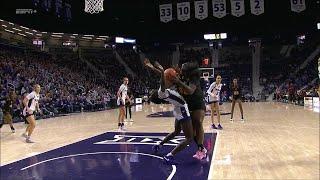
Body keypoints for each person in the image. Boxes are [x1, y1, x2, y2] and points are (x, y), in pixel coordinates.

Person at [144, 59, 194, 164]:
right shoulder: (162, 93)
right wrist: (162, 70)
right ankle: (169, 156)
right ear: (156, 95)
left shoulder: (165, 90)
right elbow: (163, 80)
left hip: (177, 109)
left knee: (176, 132)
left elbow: (165, 78)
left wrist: (153, 68)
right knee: (189, 138)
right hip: (182, 109)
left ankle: (159, 144)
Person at [174, 62, 207, 160]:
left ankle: (200, 150)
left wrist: (178, 82)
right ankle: (202, 149)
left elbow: (190, 91)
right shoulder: (181, 77)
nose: (181, 69)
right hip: (188, 105)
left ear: (188, 71)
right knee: (192, 134)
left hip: (198, 103)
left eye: (183, 69)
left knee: (198, 122)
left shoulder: (194, 78)